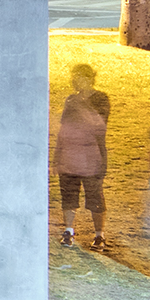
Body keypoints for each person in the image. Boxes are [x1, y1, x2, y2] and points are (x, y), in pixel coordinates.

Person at [55, 64, 110, 248]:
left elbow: (99, 126)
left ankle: (99, 234)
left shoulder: (100, 99)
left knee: (94, 195)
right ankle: (68, 230)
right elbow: (63, 129)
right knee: (68, 194)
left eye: (77, 76)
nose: (74, 80)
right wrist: (57, 156)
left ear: (88, 78)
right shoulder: (71, 100)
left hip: (91, 156)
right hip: (70, 155)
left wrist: (81, 106)